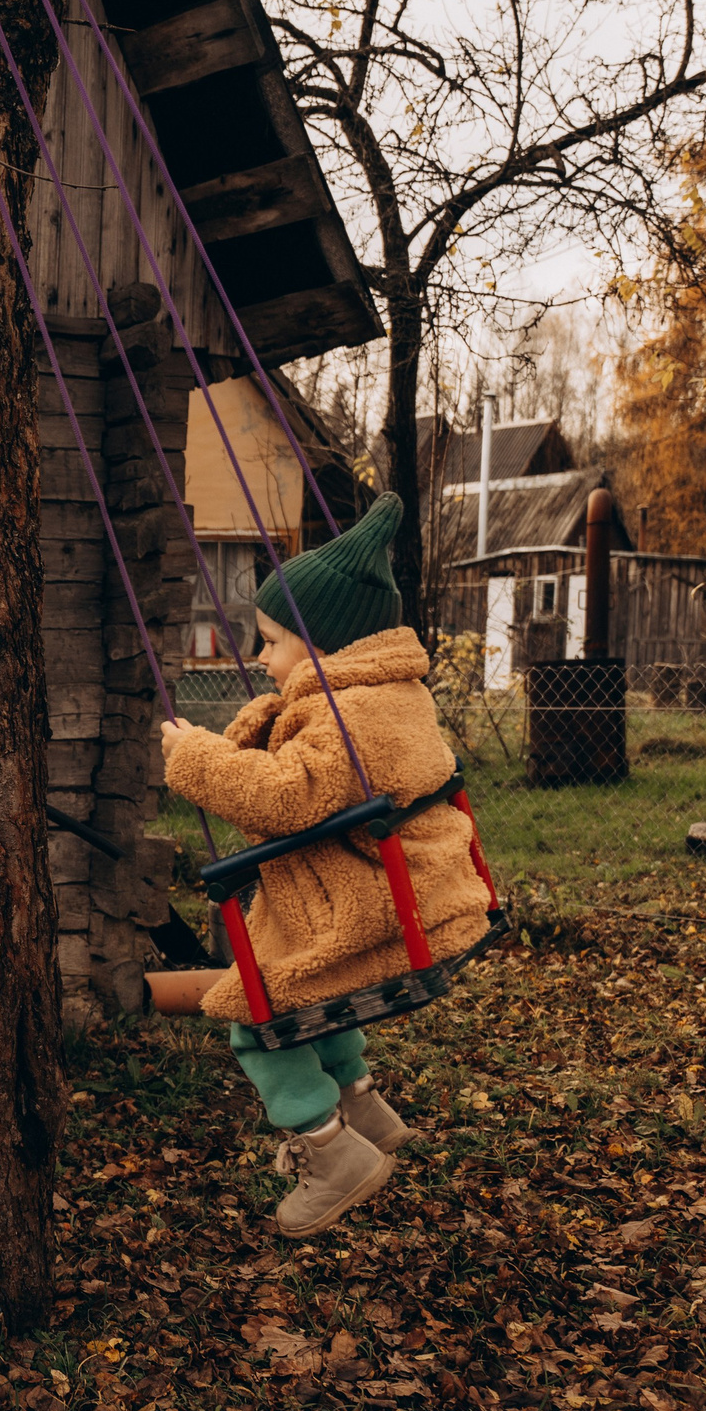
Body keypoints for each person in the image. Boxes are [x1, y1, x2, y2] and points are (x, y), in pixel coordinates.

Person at [158, 494, 488, 1238]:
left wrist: (195, 758)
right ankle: (364, 1105)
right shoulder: (387, 694)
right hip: (419, 894)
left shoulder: (347, 716)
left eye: (273, 641)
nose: (263, 657)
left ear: (323, 645)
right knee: (305, 987)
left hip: (375, 914)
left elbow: (285, 794)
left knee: (258, 1017)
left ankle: (333, 1152)